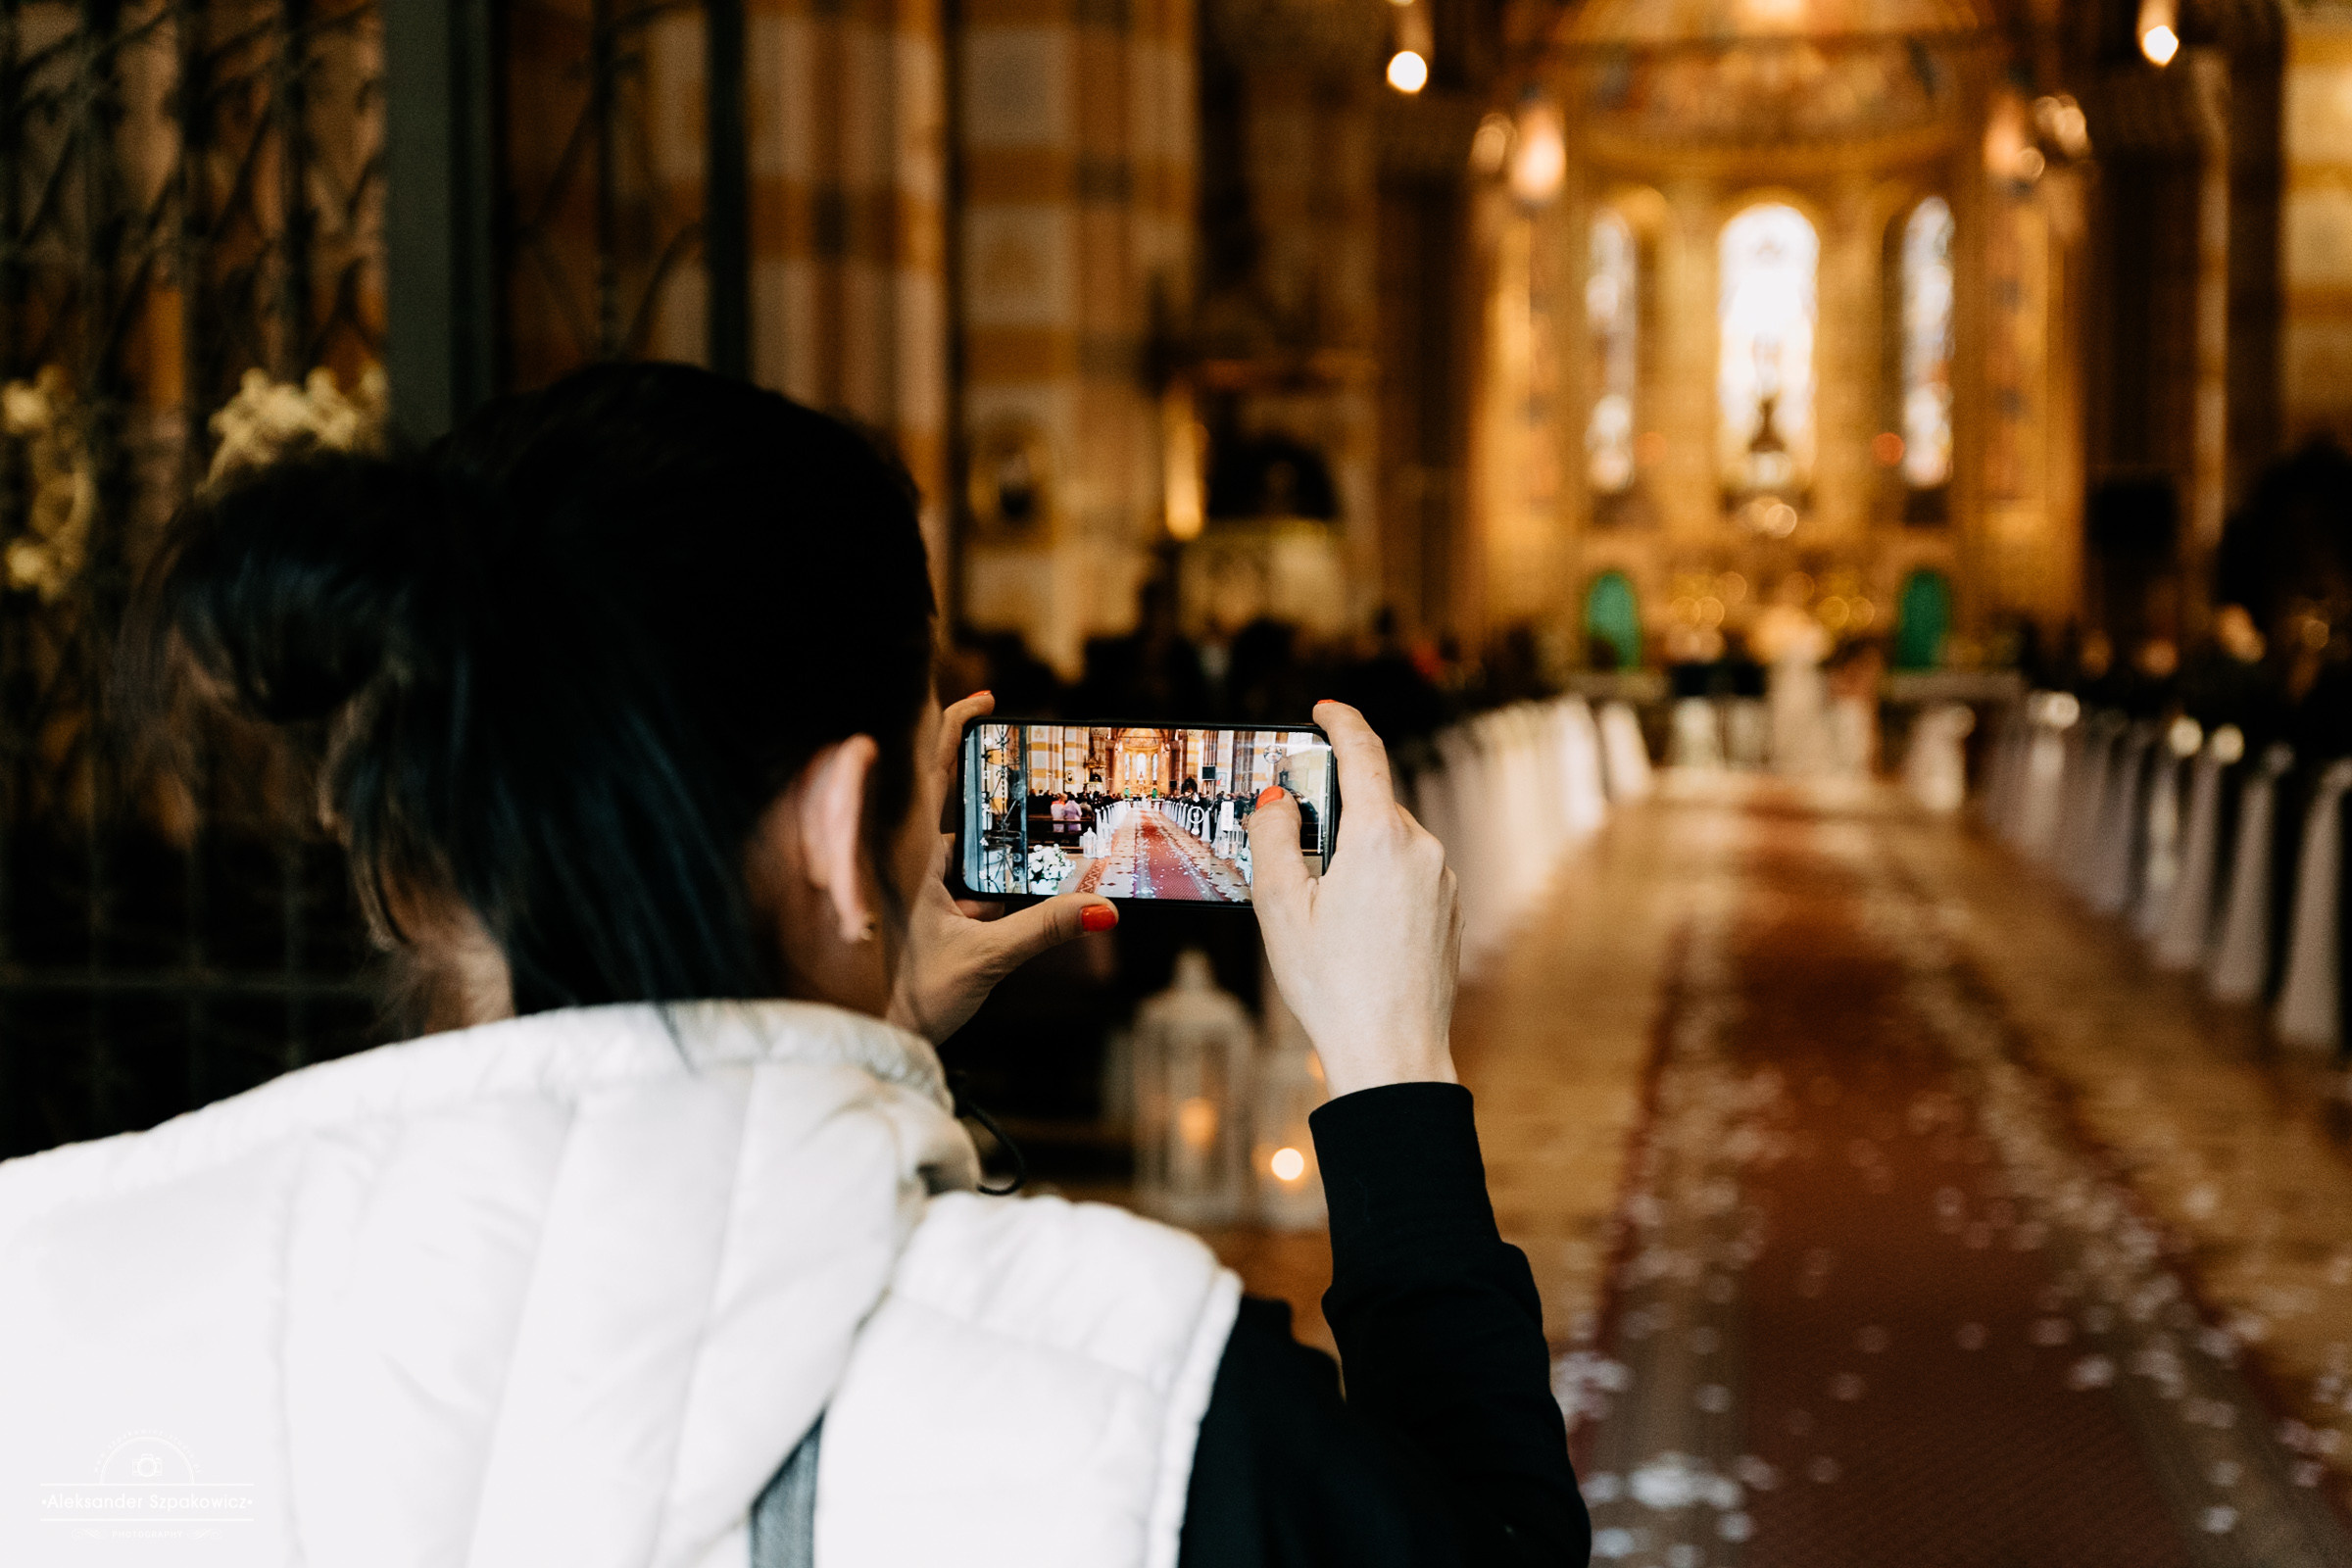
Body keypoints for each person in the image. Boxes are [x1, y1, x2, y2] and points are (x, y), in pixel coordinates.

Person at [0, 366, 1586, 1567]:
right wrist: (1389, 1074)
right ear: (842, 826)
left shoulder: (61, 1299)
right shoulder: (1145, 1394)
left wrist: (876, 1042)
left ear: (406, 848)